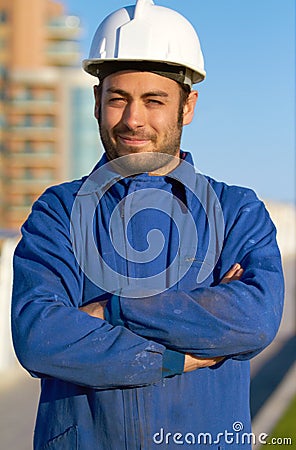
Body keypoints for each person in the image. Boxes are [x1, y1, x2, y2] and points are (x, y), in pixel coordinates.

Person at [12, 0, 284, 449]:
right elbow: (39, 336)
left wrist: (113, 311)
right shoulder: (58, 212)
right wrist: (177, 355)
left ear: (188, 106)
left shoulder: (237, 210)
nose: (133, 119)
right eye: (118, 98)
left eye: (153, 101)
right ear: (97, 103)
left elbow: (253, 320)